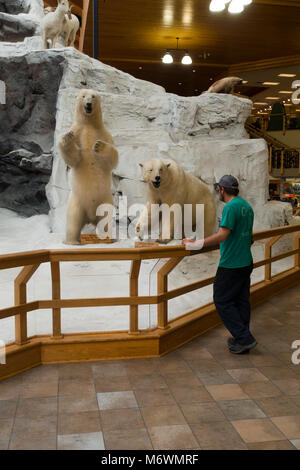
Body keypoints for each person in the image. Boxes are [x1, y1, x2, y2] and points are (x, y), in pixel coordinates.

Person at [182, 175, 257, 354]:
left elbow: (222, 235)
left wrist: (196, 243)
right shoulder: (246, 206)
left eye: (219, 190)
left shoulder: (230, 207)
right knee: (241, 300)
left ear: (222, 190)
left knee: (222, 300)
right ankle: (242, 337)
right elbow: (249, 236)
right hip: (246, 261)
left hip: (231, 264)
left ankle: (244, 338)